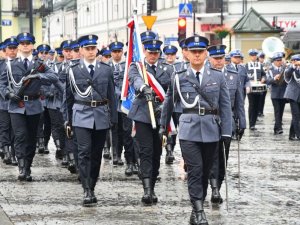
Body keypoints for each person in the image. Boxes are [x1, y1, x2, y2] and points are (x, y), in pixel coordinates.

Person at [160, 36, 232, 225]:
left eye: (201, 51)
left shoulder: (217, 76)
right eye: (194, 51)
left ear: (206, 52)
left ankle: (195, 207)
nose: (198, 54)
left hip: (211, 130)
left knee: (206, 170)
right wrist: (163, 127)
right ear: (188, 54)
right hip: (188, 130)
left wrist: (227, 133)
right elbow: (169, 102)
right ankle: (200, 211)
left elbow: (225, 106)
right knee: (195, 169)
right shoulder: (179, 76)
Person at [64, 34, 117, 206]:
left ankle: (92, 184)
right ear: (80, 50)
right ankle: (86, 189)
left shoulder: (106, 69)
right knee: (84, 152)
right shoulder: (73, 70)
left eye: (93, 48)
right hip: (81, 114)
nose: (91, 51)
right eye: (87, 48)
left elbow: (111, 96)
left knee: (96, 154)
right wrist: (68, 120)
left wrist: (113, 118)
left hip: (101, 114)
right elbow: (68, 98)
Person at [0, 32, 58, 181]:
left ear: (32, 45)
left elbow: (53, 77)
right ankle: (21, 168)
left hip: (34, 104)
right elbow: (2, 84)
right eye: (23, 43)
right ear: (19, 46)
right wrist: (8, 94)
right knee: (20, 136)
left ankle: (28, 166)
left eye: (28, 43)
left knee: (31, 138)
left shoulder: (39, 64)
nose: (25, 46)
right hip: (16, 105)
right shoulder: (10, 64)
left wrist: (39, 76)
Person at [128, 37, 173, 205]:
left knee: (156, 153)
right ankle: (147, 190)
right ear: (144, 52)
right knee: (146, 151)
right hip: (143, 115)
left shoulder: (167, 69)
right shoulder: (137, 67)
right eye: (150, 52)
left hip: (162, 114)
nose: (153, 55)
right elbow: (134, 80)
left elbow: (172, 90)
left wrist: (165, 107)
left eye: (155, 53)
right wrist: (143, 87)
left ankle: (152, 185)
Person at [207, 44, 246, 204]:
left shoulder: (233, 75)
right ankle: (214, 187)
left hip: (227, 121)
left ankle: (218, 183)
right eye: (215, 59)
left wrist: (242, 122)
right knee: (212, 155)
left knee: (223, 156)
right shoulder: (204, 74)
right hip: (209, 120)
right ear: (209, 58)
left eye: (221, 58)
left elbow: (239, 101)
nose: (219, 61)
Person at [0, 37, 19, 165]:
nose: (12, 51)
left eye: (14, 48)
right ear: (5, 50)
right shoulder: (1, 65)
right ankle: (6, 151)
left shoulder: (20, 64)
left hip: (16, 102)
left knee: (15, 129)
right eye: (10, 49)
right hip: (2, 102)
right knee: (4, 127)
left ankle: (13, 153)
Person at [245, 49, 266, 130]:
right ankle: (251, 124)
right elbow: (244, 76)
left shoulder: (260, 65)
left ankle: (254, 123)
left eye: (255, 55)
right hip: (250, 87)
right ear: (250, 56)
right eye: (252, 55)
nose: (254, 57)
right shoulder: (247, 65)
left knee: (257, 105)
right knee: (252, 105)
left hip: (259, 86)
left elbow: (264, 75)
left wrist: (263, 78)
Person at [266, 52, 287, 135]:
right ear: (274, 61)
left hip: (283, 93)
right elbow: (268, 81)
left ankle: (276, 127)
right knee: (277, 111)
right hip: (275, 94)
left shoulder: (284, 68)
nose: (279, 62)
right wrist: (275, 78)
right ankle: (279, 128)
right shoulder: (270, 70)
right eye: (277, 60)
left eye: (280, 60)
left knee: (281, 111)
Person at [284, 54, 300, 141]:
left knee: (296, 116)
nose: (295, 62)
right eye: (293, 61)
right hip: (293, 95)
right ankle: (298, 134)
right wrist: (293, 66)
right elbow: (287, 75)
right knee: (296, 115)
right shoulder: (290, 68)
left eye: (297, 60)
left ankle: (291, 135)